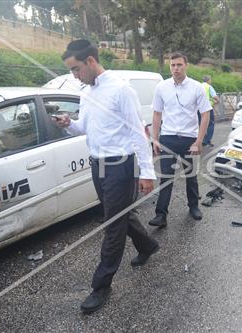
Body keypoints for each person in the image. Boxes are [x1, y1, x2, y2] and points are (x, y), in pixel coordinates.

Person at [54, 39, 159, 314]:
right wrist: (69, 124)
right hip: (97, 164)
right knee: (120, 213)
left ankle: (101, 285)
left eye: (76, 69)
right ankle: (147, 245)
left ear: (90, 61)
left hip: (120, 165)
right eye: (71, 72)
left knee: (112, 224)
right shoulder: (86, 92)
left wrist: (147, 173)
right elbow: (84, 129)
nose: (74, 76)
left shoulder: (121, 89)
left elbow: (138, 132)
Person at [148, 51, 212, 228]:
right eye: (172, 65)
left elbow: (205, 114)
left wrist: (199, 141)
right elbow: (157, 114)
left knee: (191, 176)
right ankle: (161, 215)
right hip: (167, 138)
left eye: (179, 65)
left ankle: (193, 207)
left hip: (189, 139)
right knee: (166, 178)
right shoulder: (162, 87)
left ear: (186, 65)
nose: (175, 68)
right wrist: (155, 139)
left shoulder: (197, 87)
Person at [199, 75, 219, 147]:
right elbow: (215, 97)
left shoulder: (199, 86)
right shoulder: (209, 87)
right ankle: (207, 141)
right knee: (210, 124)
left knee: (200, 124)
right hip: (207, 109)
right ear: (208, 80)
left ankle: (200, 140)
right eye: (210, 80)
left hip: (198, 109)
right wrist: (217, 101)